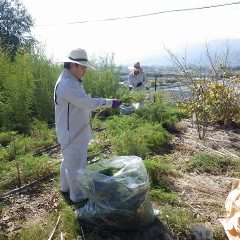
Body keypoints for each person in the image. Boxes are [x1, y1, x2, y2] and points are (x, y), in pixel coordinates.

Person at [54, 48, 122, 203]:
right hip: (72, 134)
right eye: (83, 67)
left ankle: (65, 189)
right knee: (76, 168)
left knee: (69, 162)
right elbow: (86, 102)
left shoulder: (71, 81)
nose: (84, 71)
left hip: (74, 132)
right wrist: (109, 102)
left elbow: (82, 103)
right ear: (73, 65)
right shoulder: (67, 84)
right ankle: (78, 198)